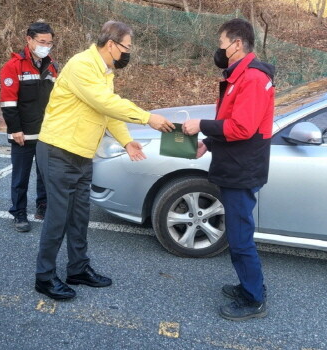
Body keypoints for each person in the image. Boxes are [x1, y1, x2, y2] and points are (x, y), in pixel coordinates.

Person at [34, 20, 174, 300]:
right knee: (58, 218)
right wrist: (147, 117)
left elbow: (106, 111)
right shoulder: (81, 65)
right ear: (111, 45)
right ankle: (45, 277)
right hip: (59, 151)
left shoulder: (105, 72)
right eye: (127, 47)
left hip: (83, 154)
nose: (128, 53)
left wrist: (126, 140)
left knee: (79, 216)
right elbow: (105, 103)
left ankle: (78, 269)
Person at [183, 18, 275, 321]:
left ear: (237, 44)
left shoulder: (251, 78)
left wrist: (200, 125)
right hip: (236, 164)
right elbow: (231, 120)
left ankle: (253, 299)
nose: (218, 49)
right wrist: (208, 142)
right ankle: (250, 285)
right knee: (238, 232)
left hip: (241, 169)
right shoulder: (242, 75)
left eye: (221, 42)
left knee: (239, 236)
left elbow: (243, 127)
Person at [0, 21, 58, 232]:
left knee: (45, 174)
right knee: (20, 177)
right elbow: (8, 103)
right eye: (42, 42)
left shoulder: (52, 66)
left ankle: (43, 206)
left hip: (47, 133)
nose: (46, 46)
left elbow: (58, 100)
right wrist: (15, 129)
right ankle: (19, 212)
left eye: (49, 43)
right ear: (29, 40)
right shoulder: (13, 66)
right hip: (22, 134)